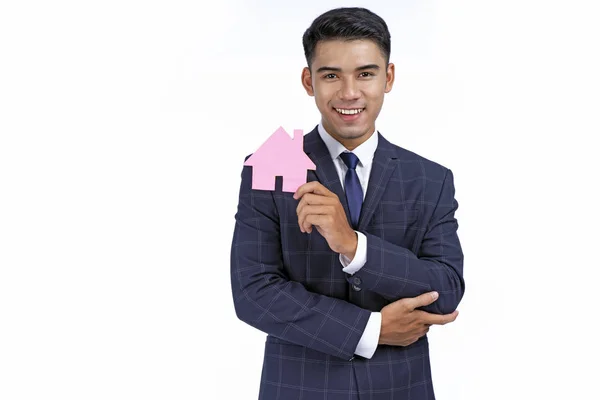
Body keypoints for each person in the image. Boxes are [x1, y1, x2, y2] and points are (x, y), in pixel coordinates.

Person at [230, 7, 464, 400]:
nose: (349, 92)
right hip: (300, 387)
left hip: (400, 388)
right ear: (309, 81)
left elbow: (446, 289)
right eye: (331, 75)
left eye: (366, 73)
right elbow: (253, 292)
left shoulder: (430, 179)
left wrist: (355, 247)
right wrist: (369, 330)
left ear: (388, 78)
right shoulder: (270, 165)